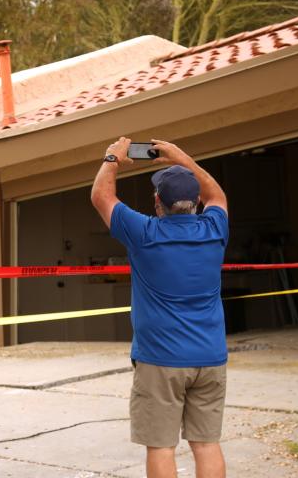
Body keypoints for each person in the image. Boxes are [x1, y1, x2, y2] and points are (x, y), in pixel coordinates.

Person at [90, 137, 229, 478]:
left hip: (160, 360)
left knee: (162, 446)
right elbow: (218, 196)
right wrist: (182, 157)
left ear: (157, 202)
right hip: (210, 358)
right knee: (207, 443)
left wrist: (113, 157)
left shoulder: (145, 233)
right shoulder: (215, 229)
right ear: (196, 201)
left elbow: (101, 197)